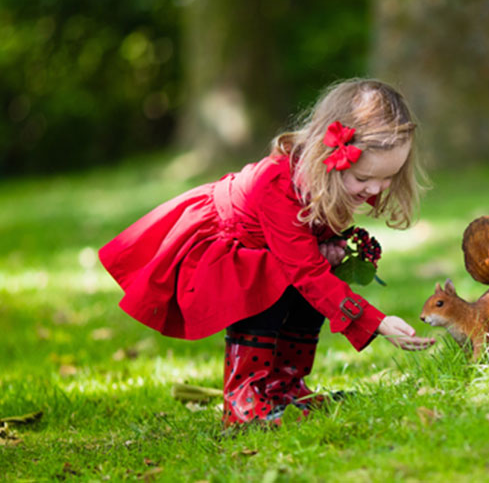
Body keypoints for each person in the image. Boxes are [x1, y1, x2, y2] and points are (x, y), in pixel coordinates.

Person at [99, 78, 436, 426]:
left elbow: (305, 254)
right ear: (330, 157)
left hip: (271, 255)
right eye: (365, 178)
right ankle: (244, 395)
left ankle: (284, 387)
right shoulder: (276, 185)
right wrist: (375, 322)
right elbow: (304, 271)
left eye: (387, 178)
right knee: (275, 283)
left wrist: (327, 248)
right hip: (222, 249)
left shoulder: (326, 184)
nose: (376, 189)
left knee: (309, 285)